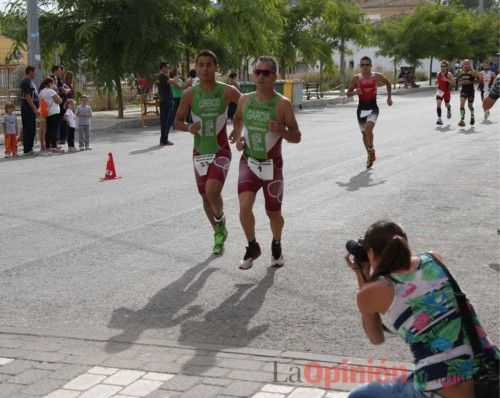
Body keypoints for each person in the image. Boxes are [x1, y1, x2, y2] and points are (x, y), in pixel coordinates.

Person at [346, 220, 498, 398]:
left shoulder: (373, 291)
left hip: (441, 389)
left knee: (359, 395)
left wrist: (362, 272)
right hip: (489, 374)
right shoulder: (434, 259)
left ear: (370, 253)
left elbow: (376, 338)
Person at [232, 56, 301, 270]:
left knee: (274, 213)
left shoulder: (283, 104)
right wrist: (238, 136)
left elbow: (297, 135)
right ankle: (252, 246)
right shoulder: (244, 99)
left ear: (274, 77)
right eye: (257, 72)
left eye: (266, 73)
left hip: (273, 165)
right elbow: (237, 120)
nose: (260, 76)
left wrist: (282, 131)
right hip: (249, 161)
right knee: (244, 206)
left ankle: (276, 243)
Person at [174, 50, 241, 255]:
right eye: (201, 65)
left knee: (213, 191)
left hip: (221, 150)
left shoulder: (227, 91)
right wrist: (188, 128)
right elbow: (177, 122)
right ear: (197, 67)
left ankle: (220, 219)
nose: (204, 69)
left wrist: (238, 129)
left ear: (216, 67)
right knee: (205, 196)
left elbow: (247, 106)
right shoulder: (190, 93)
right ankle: (218, 232)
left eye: (209, 65)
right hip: (200, 152)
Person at [346, 56, 393, 168]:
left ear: (371, 65)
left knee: (368, 129)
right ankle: (369, 155)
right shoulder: (356, 79)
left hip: (373, 108)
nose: (365, 67)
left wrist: (389, 97)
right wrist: (355, 92)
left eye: (367, 64)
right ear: (360, 66)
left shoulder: (376, 76)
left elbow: (388, 83)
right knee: (364, 134)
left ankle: (371, 150)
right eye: (363, 65)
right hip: (361, 109)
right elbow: (348, 93)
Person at [39, 77, 63, 153]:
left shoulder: (42, 91)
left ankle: (48, 147)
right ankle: (54, 147)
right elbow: (60, 101)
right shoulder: (51, 91)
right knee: (53, 130)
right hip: (54, 112)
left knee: (48, 130)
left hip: (47, 112)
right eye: (53, 83)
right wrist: (55, 91)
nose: (54, 85)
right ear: (50, 83)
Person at [20, 65, 39, 155]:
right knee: (28, 129)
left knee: (32, 129)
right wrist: (34, 108)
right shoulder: (25, 82)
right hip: (27, 109)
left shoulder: (31, 82)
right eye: (35, 71)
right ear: (30, 72)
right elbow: (27, 96)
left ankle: (30, 148)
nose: (36, 73)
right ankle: (27, 149)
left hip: (32, 110)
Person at [457, 59, 481, 127]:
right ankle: (462, 120)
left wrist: (470, 82)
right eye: (465, 64)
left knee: (470, 106)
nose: (466, 65)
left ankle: (472, 116)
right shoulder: (461, 71)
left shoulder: (473, 72)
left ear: (470, 65)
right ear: (463, 65)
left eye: (467, 64)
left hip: (471, 91)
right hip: (463, 91)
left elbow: (479, 80)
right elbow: (458, 79)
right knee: (462, 104)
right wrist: (460, 82)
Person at [157, 61, 174, 146]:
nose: (168, 68)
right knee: (166, 120)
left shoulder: (159, 77)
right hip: (166, 100)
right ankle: (164, 140)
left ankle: (163, 139)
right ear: (162, 67)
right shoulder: (163, 77)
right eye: (167, 67)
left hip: (164, 99)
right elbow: (173, 82)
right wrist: (177, 75)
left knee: (164, 120)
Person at [435, 60, 455, 125]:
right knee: (438, 104)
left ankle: (449, 108)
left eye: (444, 66)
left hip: (446, 91)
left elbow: (454, 83)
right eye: (441, 66)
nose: (443, 67)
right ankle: (439, 119)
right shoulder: (438, 73)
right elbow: (437, 81)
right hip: (440, 91)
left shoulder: (449, 74)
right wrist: (436, 82)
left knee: (446, 105)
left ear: (447, 67)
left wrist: (447, 80)